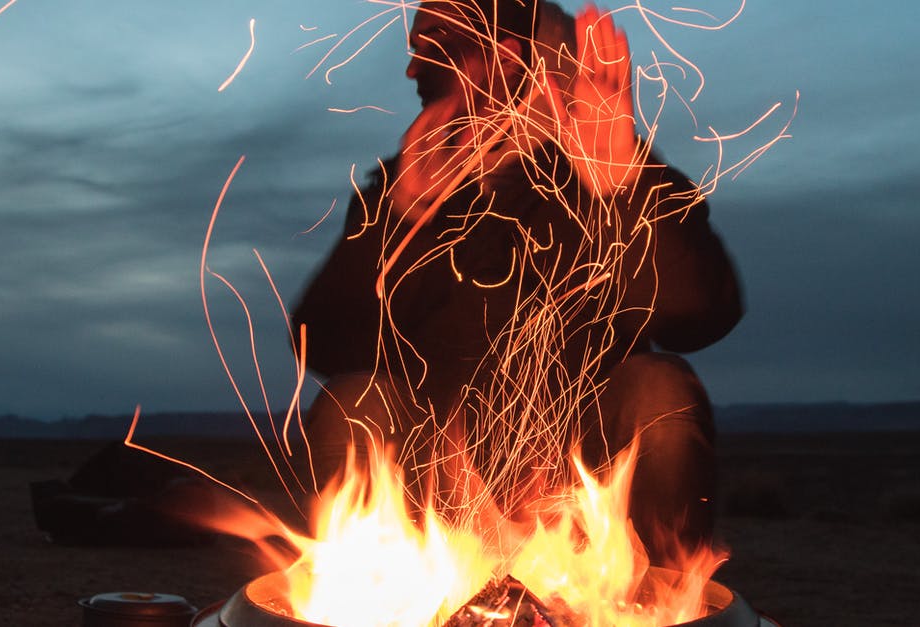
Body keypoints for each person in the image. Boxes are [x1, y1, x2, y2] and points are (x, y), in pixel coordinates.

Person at [291, 0, 742, 565]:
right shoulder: (397, 190)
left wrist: (622, 180)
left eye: (435, 45)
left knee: (660, 391)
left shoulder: (613, 171)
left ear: (506, 56)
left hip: (588, 488)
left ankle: (659, 605)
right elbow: (320, 344)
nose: (412, 70)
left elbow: (700, 315)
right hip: (436, 492)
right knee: (352, 403)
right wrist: (402, 215)